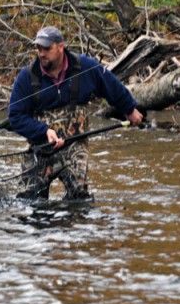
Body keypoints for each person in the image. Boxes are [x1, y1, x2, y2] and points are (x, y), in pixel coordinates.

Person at [8, 26, 143, 201]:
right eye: (39, 49)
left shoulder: (84, 67)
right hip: (40, 148)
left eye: (47, 48)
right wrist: (44, 131)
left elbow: (111, 85)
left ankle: (75, 227)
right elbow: (16, 117)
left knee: (80, 196)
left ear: (61, 46)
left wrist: (130, 109)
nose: (41, 54)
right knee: (28, 201)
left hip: (74, 147)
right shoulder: (27, 77)